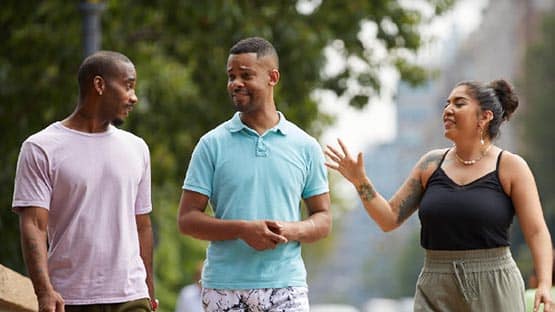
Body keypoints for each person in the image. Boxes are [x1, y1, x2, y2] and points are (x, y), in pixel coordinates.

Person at [325, 79, 553, 312]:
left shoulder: (510, 166)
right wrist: (360, 181)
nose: (448, 110)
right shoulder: (431, 164)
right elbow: (389, 218)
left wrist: (544, 283)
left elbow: (536, 231)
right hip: (436, 284)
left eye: (459, 103)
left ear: (485, 117)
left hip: (494, 284)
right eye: (447, 104)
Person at [177, 37, 331, 312]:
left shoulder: (305, 146)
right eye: (231, 76)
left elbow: (323, 218)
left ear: (273, 77)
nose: (235, 83)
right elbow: (187, 220)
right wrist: (242, 229)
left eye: (245, 75)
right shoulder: (211, 144)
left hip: (286, 287)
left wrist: (289, 229)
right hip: (224, 288)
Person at [12, 51, 157, 312]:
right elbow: (34, 224)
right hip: (70, 298)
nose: (133, 97)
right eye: (128, 86)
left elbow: (142, 225)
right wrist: (44, 291)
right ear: (99, 85)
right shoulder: (42, 148)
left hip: (131, 296)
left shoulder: (137, 148)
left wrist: (149, 290)